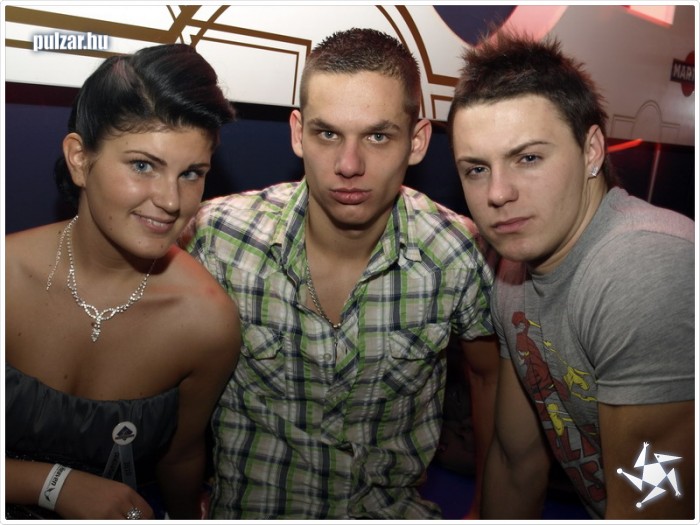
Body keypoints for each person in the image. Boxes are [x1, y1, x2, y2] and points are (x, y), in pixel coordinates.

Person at [185, 28, 497, 519]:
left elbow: (488, 377)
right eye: (327, 134)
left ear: (417, 141)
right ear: (298, 133)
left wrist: (486, 509)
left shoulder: (453, 252)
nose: (349, 165)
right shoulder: (219, 237)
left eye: (378, 136)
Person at [447, 31, 695, 520]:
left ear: (592, 150)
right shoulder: (514, 272)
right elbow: (516, 461)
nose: (497, 193)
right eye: (476, 169)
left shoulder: (642, 267)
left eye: (528, 158)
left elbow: (653, 502)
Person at [5, 43, 240, 520]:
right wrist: (54, 485)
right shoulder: (7, 277)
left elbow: (181, 457)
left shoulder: (205, 321)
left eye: (191, 173)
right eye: (142, 165)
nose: (171, 200)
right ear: (79, 158)